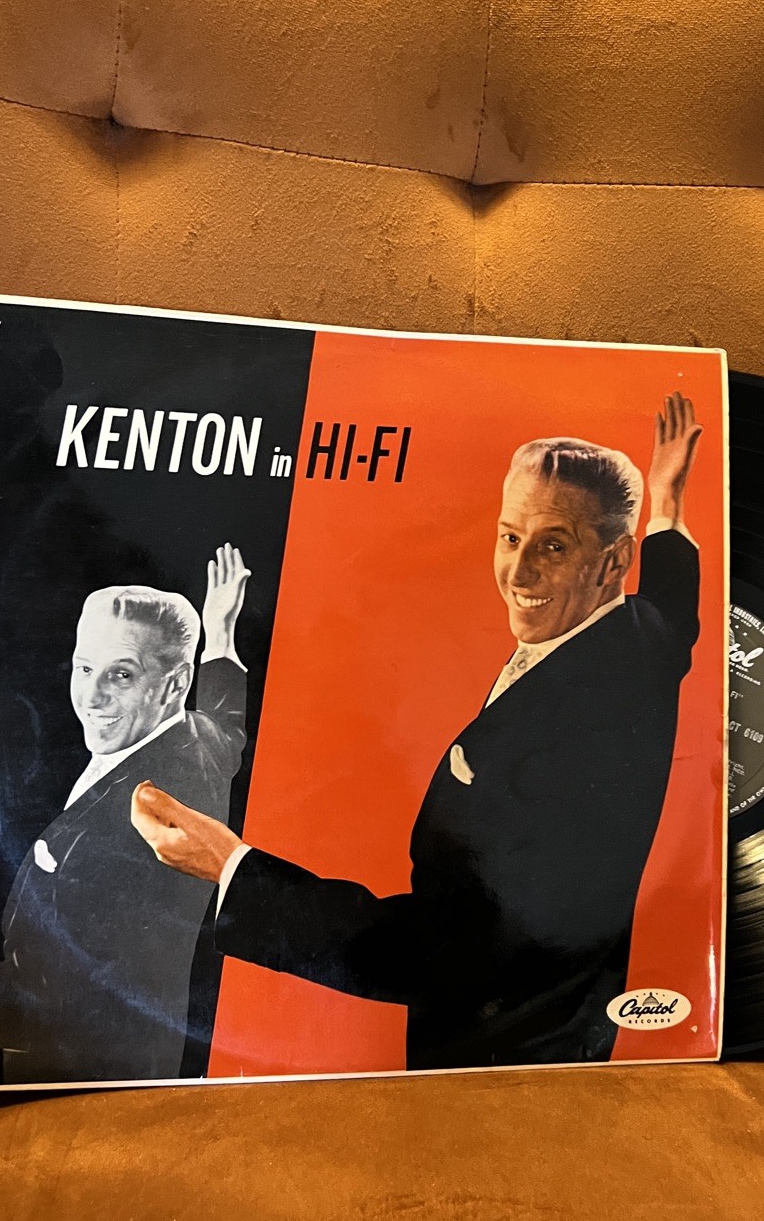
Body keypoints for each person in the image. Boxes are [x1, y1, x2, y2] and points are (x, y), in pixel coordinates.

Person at [132, 395, 704, 1070]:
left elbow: (438, 952)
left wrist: (234, 871)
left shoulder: (578, 737)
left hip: (501, 1065)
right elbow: (675, 609)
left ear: (612, 563)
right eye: (510, 537)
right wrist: (667, 505)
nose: (519, 574)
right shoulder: (642, 638)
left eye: (554, 545)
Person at [0, 544, 252, 1084]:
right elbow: (226, 722)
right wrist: (220, 633)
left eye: (121, 675)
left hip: (81, 1071)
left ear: (174, 685)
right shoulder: (202, 741)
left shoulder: (133, 827)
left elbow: (65, 994)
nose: (91, 697)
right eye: (84, 667)